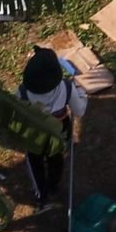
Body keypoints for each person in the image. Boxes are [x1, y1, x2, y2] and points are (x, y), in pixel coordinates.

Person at [16, 48, 84, 207]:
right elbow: (79, 110)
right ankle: (53, 186)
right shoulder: (66, 88)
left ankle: (41, 194)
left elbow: (17, 114)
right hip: (59, 129)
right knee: (56, 158)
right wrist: (81, 94)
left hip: (34, 133)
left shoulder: (22, 93)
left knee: (35, 161)